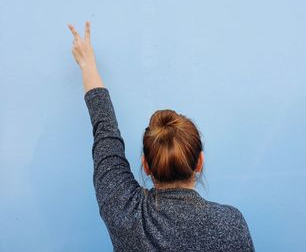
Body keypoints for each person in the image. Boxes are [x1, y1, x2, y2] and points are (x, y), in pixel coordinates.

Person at [68, 21, 255, 252]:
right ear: (199, 162)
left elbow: (106, 135)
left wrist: (87, 65)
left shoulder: (125, 212)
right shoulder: (231, 225)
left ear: (145, 165)